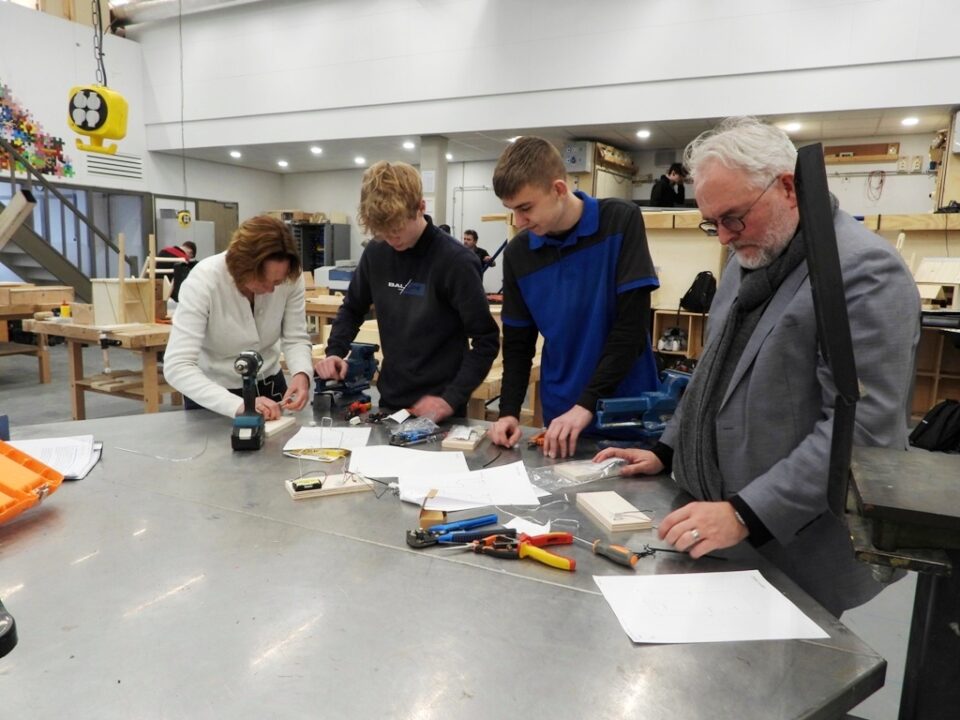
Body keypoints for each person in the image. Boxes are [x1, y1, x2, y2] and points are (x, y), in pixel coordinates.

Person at [594, 117, 921, 616]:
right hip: (726, 530)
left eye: (733, 217)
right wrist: (666, 448)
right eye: (713, 222)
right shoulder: (751, 255)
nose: (723, 236)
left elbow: (862, 433)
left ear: (788, 187)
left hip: (795, 544)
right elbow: (714, 372)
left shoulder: (861, 272)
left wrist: (748, 513)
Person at [489, 136, 661, 459]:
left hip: (625, 417)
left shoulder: (620, 221)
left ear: (558, 189)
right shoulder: (518, 255)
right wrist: (509, 411)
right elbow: (518, 345)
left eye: (526, 208)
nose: (519, 221)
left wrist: (587, 405)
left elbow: (631, 328)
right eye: (512, 210)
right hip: (562, 421)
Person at [315, 161, 499, 422]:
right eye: (383, 232)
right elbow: (353, 308)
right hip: (390, 402)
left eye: (397, 228)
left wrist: (452, 398)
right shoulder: (376, 253)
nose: (392, 239)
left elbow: (486, 340)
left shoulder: (456, 261)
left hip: (442, 409)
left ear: (421, 207)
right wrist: (335, 351)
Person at [164, 216, 313, 420]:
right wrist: (238, 405)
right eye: (263, 281)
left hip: (271, 386)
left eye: (277, 282)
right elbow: (178, 366)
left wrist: (301, 373)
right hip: (213, 395)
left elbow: (295, 338)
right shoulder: (204, 281)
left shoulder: (290, 276)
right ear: (241, 267)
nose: (271, 290)